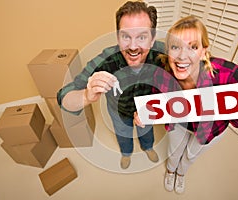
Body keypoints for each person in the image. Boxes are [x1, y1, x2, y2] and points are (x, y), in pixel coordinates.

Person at [134, 15, 238, 193]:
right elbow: (156, 103)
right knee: (174, 149)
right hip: (178, 123)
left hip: (210, 128)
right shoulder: (160, 74)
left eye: (192, 47)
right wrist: (144, 115)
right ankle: (171, 170)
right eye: (175, 47)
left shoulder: (227, 74)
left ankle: (181, 173)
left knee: (191, 154)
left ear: (204, 51)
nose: (182, 56)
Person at [57, 0, 176, 169]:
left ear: (152, 39)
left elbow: (195, 68)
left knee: (146, 131)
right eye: (126, 36)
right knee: (123, 134)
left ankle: (147, 148)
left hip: (148, 109)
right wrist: (85, 95)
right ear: (118, 37)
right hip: (118, 111)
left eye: (142, 37)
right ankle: (126, 153)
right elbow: (64, 97)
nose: (133, 47)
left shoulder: (164, 53)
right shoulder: (107, 59)